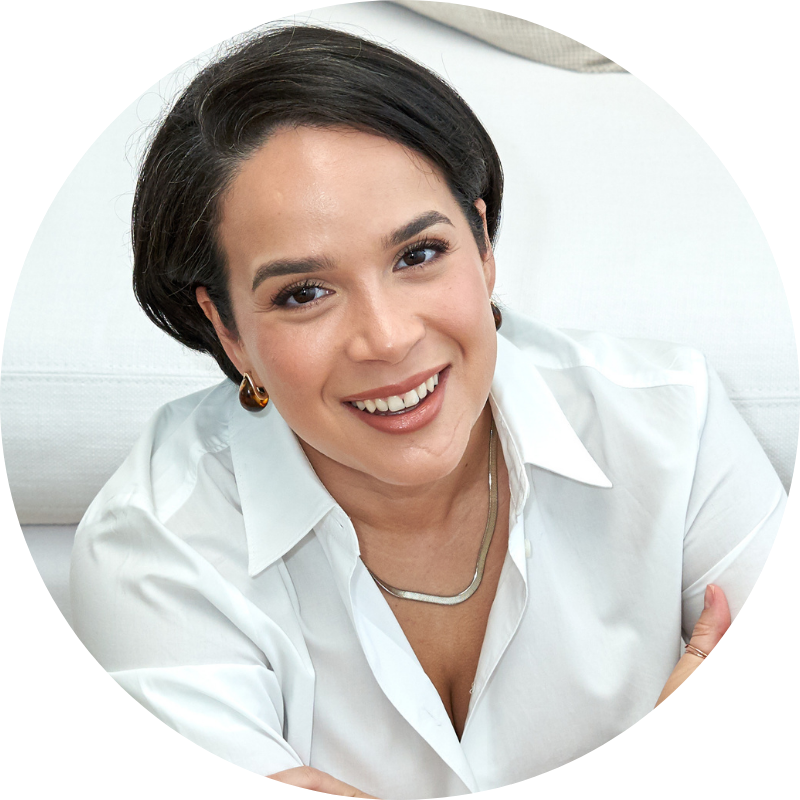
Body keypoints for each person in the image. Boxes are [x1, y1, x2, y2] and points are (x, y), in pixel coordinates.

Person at [70, 24, 785, 797]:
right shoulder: (154, 543)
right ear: (227, 329)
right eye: (304, 294)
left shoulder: (674, 425)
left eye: (418, 255)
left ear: (482, 243)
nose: (386, 338)